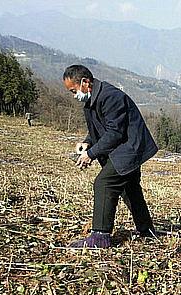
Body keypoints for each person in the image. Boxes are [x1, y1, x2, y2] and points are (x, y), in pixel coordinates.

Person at [62, 65, 158, 248]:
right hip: (123, 148)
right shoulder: (93, 99)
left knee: (104, 183)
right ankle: (147, 230)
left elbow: (115, 132)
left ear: (85, 82)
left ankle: (100, 236)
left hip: (129, 148)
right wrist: (87, 142)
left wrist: (91, 154)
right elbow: (99, 128)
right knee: (130, 188)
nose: (74, 95)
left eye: (74, 91)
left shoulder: (110, 96)